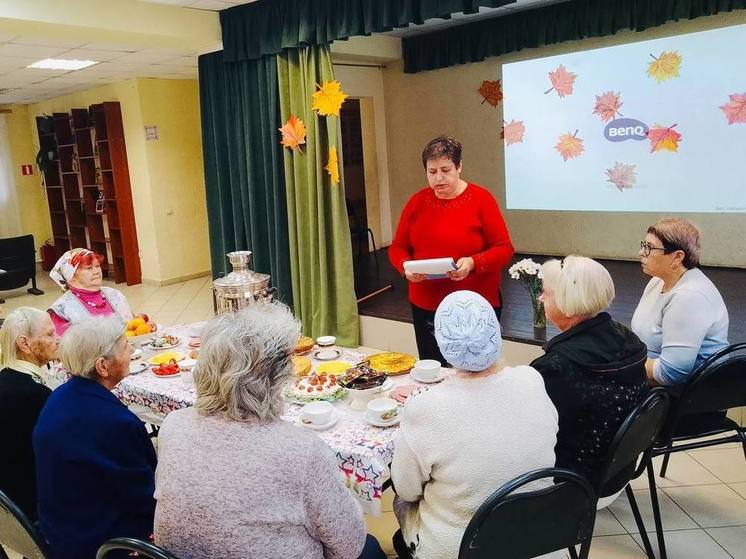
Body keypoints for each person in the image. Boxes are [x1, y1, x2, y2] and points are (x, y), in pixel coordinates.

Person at [154, 303, 385, 559]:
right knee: (370, 548)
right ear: (277, 377)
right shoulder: (302, 450)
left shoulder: (173, 424)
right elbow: (349, 546)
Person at [391, 290, 559, 559]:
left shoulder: (423, 408)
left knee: (400, 501)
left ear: (443, 343)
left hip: (461, 549)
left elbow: (406, 489)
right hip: (539, 540)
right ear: (495, 333)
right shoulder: (531, 379)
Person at [34, 317, 156, 559]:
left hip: (59, 528)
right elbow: (147, 495)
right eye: (124, 346)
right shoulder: (117, 423)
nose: (131, 349)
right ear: (102, 366)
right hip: (98, 544)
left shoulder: (58, 396)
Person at [388, 136, 514, 364]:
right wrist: (404, 267)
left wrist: (473, 263)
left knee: (475, 371)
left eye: (445, 170)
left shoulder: (481, 199)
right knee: (433, 367)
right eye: (432, 171)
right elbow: (397, 247)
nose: (438, 178)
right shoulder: (417, 202)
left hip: (473, 305)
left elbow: (504, 249)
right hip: (426, 304)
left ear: (459, 167)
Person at [530, 256, 648, 492]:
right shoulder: (628, 339)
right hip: (619, 467)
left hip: (573, 480)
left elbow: (530, 433)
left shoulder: (556, 367)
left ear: (566, 300)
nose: (540, 298)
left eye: (545, 292)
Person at [631, 218, 729, 387]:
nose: (641, 252)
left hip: (688, 400)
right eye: (643, 245)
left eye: (649, 247)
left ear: (677, 257)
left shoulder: (689, 297)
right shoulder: (657, 281)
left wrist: (623, 364)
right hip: (653, 384)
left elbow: (671, 374)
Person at [0, 308, 58, 520]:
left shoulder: (7, 378)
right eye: (50, 334)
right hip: (35, 502)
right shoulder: (34, 395)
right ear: (24, 344)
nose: (57, 339)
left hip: (10, 503)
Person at [48, 248, 133, 335]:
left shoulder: (114, 294)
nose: (96, 271)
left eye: (97, 266)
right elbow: (64, 345)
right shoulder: (61, 309)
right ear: (71, 277)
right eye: (89, 268)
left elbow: (132, 326)